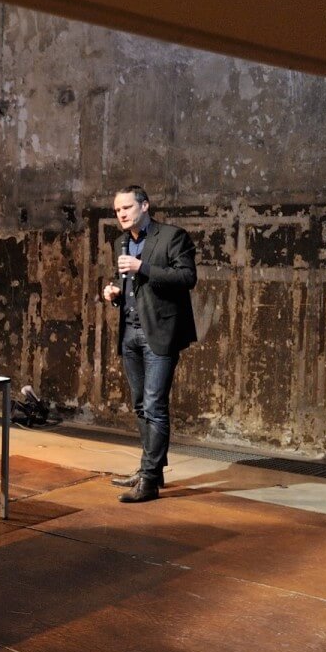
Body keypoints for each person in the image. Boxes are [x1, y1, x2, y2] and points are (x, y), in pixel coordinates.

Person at [102, 185, 198, 503]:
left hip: (159, 334)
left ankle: (150, 480)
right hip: (129, 334)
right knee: (141, 405)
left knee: (155, 407)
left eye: (127, 207)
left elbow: (186, 278)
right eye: (117, 210)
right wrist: (114, 292)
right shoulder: (122, 242)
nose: (122, 214)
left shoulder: (172, 236)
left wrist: (142, 267)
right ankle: (149, 470)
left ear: (145, 205)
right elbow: (129, 286)